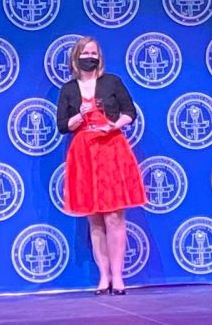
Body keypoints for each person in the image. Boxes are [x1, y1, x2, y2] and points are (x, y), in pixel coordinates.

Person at [56, 37, 146, 296]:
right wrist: (81, 115)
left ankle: (118, 277)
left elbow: (130, 112)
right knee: (94, 219)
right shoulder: (69, 89)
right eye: (85, 52)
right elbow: (63, 125)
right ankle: (103, 277)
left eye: (94, 52)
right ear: (76, 57)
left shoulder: (112, 82)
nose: (90, 56)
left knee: (114, 216)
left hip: (111, 149)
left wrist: (114, 125)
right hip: (84, 153)